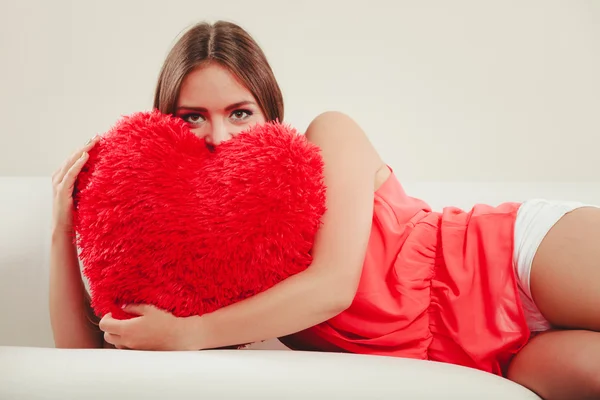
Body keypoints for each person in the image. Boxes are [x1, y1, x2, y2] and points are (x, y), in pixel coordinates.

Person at [49, 20, 600, 400]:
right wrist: (60, 230)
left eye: (240, 112)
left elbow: (333, 285)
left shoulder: (327, 136)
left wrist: (189, 334)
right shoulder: (194, 249)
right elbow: (90, 364)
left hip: (507, 256)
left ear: (271, 111)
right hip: (491, 354)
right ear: (166, 122)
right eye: (193, 116)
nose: (220, 135)